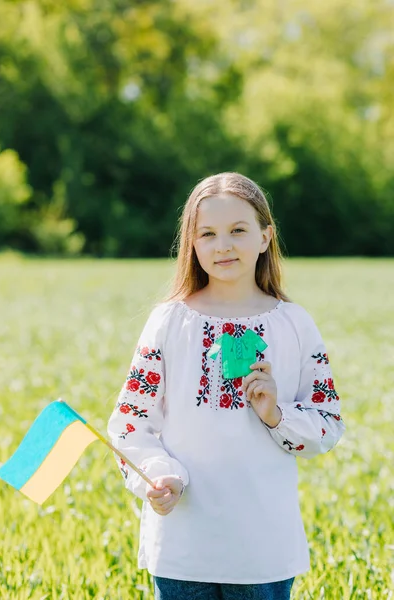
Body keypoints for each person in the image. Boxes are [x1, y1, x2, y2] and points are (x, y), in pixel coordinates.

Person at [107, 172, 345, 600]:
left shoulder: (293, 325)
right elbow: (130, 421)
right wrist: (161, 476)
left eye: (238, 230)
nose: (223, 245)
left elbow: (327, 424)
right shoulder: (169, 321)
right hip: (183, 544)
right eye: (208, 234)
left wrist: (277, 415)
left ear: (265, 236)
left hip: (263, 549)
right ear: (192, 244)